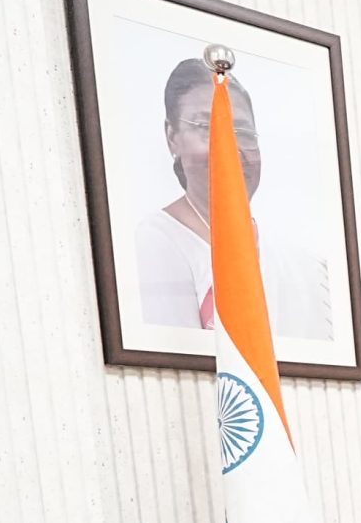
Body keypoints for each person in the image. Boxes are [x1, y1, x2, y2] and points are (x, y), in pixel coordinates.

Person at [133, 58, 332, 340]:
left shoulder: (303, 263)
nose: (231, 149)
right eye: (207, 127)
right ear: (172, 137)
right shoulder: (154, 242)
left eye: (244, 133)